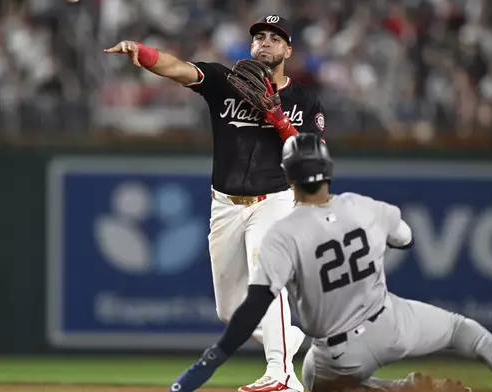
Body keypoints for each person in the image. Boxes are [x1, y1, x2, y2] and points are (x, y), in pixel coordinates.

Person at [166, 133, 492, 392]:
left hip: (341, 352)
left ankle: (400, 390)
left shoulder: (282, 234)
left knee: (312, 379)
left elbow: (253, 307)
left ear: (287, 177)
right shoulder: (364, 207)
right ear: (327, 170)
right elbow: (407, 238)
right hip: (392, 321)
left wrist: (213, 358)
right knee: (459, 328)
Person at [104, 15, 326, 392]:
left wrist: (279, 120)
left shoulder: (303, 99)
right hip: (225, 204)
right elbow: (178, 68)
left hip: (274, 199)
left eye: (275, 38)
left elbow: (313, 157)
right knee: (230, 311)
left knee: (266, 279)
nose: (266, 43)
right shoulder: (226, 83)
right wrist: (140, 51)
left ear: (288, 50)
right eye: (259, 37)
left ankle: (282, 376)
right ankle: (288, 336)